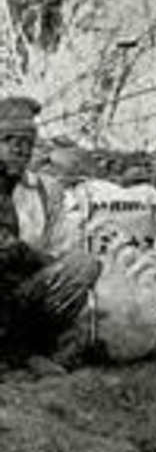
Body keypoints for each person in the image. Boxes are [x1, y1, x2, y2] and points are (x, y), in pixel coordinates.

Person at [0, 96, 99, 366]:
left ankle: (24, 351)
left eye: (27, 144)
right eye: (9, 141)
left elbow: (62, 247)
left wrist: (29, 256)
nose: (20, 150)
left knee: (83, 264)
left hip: (23, 292)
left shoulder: (45, 190)